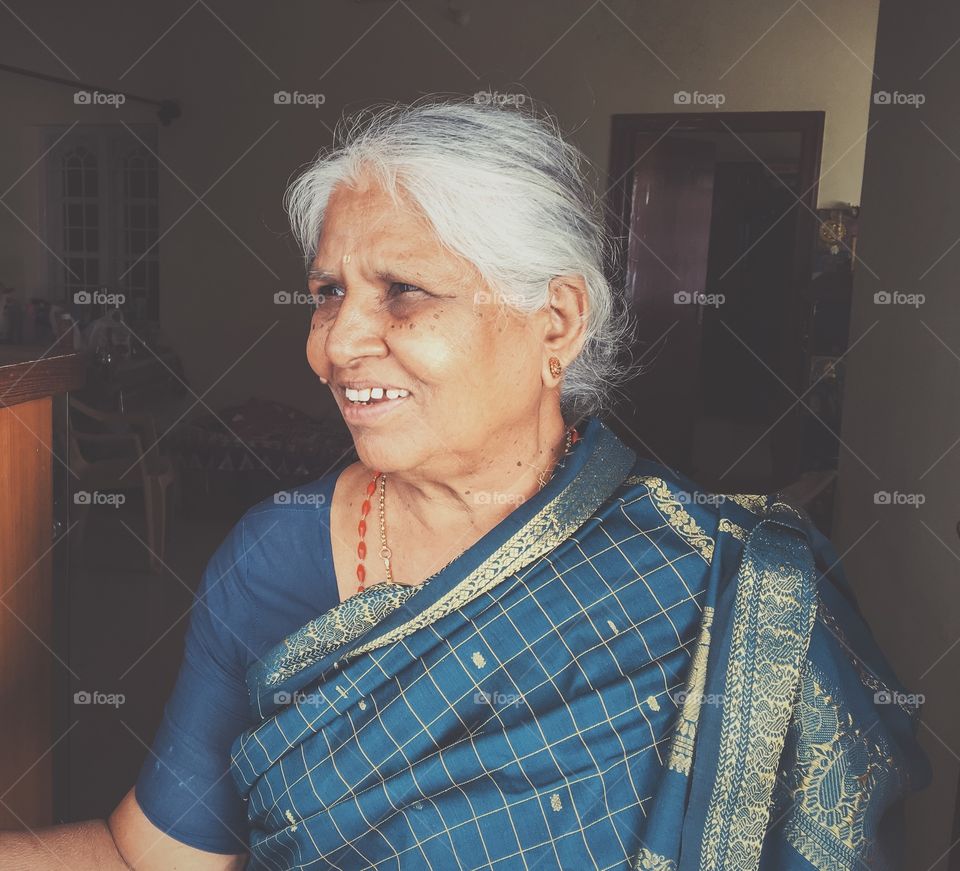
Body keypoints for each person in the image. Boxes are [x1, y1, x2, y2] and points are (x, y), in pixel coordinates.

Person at [0, 99, 928, 870]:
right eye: (328, 292)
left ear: (554, 321)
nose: (334, 343)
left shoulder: (730, 589)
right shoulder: (275, 556)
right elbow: (146, 858)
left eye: (402, 290)